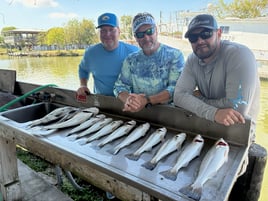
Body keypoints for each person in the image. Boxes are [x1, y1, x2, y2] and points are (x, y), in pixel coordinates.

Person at [174, 14, 260, 132]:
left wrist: (199, 100)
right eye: (193, 37)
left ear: (219, 33)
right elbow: (178, 96)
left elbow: (237, 108)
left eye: (206, 34)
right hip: (205, 126)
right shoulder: (192, 59)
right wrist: (214, 113)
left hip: (238, 132)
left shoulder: (239, 54)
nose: (200, 41)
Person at [113, 12, 185, 112]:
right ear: (135, 37)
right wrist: (129, 100)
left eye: (150, 31)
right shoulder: (130, 60)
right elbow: (120, 86)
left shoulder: (175, 55)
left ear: (156, 30)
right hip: (139, 115)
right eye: (140, 34)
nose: (146, 37)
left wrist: (147, 100)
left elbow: (176, 89)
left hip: (169, 115)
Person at [77, 12, 139, 96]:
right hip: (100, 102)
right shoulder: (90, 53)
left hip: (129, 103)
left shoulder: (134, 52)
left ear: (119, 31)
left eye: (111, 30)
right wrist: (83, 85)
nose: (107, 34)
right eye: (103, 31)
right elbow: (83, 69)